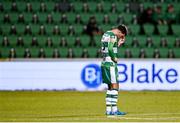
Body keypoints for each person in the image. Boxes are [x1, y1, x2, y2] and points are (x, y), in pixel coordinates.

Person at [101, 24, 128, 116]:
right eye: (122, 36)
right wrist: (114, 58)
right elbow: (110, 49)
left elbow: (109, 47)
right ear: (120, 31)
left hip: (104, 63)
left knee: (110, 87)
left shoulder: (106, 34)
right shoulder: (113, 36)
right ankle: (115, 110)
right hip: (111, 64)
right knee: (116, 86)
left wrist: (119, 44)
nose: (121, 37)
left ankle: (109, 110)